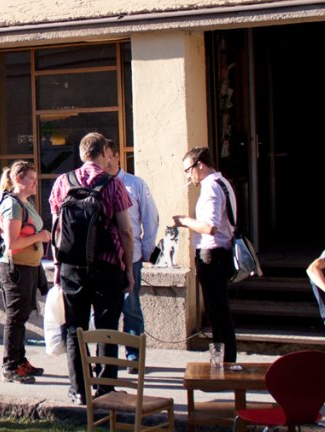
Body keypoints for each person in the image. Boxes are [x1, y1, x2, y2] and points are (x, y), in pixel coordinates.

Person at [49, 132, 133, 405]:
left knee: (75, 327)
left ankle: (79, 390)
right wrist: (128, 269)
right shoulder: (113, 184)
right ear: (103, 153)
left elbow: (57, 229)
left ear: (82, 153)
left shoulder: (62, 182)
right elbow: (126, 231)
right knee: (107, 326)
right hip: (107, 266)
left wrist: (58, 268)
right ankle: (106, 388)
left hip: (72, 267)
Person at [172, 146, 238, 363]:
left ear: (200, 165)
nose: (188, 175)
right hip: (220, 252)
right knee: (219, 310)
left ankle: (224, 361)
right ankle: (225, 359)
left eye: (188, 169)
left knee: (217, 311)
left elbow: (210, 226)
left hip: (212, 254)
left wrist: (184, 221)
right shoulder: (222, 183)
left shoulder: (210, 187)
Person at [102, 140, 160, 370]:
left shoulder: (134, 184)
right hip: (107, 258)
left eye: (108, 156)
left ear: (117, 156)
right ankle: (108, 357)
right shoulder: (99, 185)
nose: (104, 162)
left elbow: (150, 218)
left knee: (131, 307)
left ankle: (134, 356)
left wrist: (146, 250)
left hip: (131, 256)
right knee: (107, 310)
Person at [0, 161, 52, 384]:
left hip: (28, 267)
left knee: (22, 316)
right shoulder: (12, 205)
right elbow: (12, 243)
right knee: (15, 318)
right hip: (15, 267)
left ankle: (20, 361)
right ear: (18, 179)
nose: (36, 184)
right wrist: (40, 236)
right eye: (32, 180)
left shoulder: (25, 203)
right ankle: (10, 367)